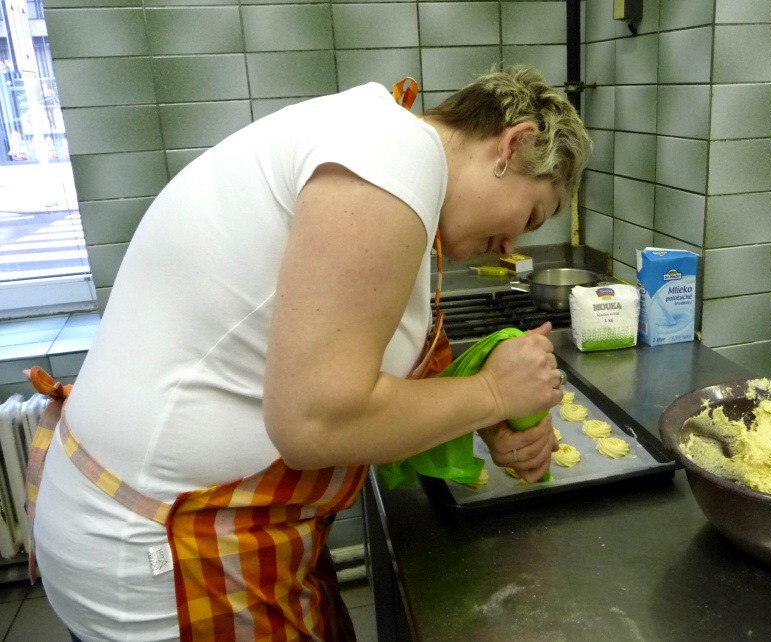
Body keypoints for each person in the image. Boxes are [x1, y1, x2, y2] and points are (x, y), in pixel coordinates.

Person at [27, 65, 591, 641]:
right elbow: (317, 421)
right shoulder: (393, 153)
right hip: (165, 549)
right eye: (528, 216)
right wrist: (491, 393)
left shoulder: (383, 153)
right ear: (512, 144)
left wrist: (480, 416)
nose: (510, 246)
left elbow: (350, 375)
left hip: (183, 521)